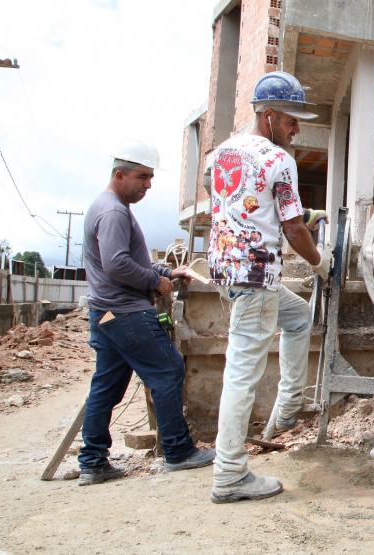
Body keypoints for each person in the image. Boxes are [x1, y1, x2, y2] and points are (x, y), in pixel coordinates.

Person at [208, 71, 332, 504]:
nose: (298, 128)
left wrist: (301, 217)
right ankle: (229, 474)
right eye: (292, 120)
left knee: (298, 317)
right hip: (257, 276)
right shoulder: (279, 160)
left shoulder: (222, 153)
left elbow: (245, 207)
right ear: (269, 116)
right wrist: (319, 262)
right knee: (242, 374)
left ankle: (288, 406)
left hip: (228, 272)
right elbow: (293, 228)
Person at [79, 139, 214, 486]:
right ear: (120, 174)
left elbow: (128, 260)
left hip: (106, 315)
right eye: (142, 177)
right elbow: (117, 264)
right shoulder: (113, 212)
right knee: (168, 370)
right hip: (124, 313)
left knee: (106, 387)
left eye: (151, 178)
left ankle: (92, 462)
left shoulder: (108, 207)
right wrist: (156, 282)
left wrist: (167, 272)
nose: (148, 185)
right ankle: (178, 451)